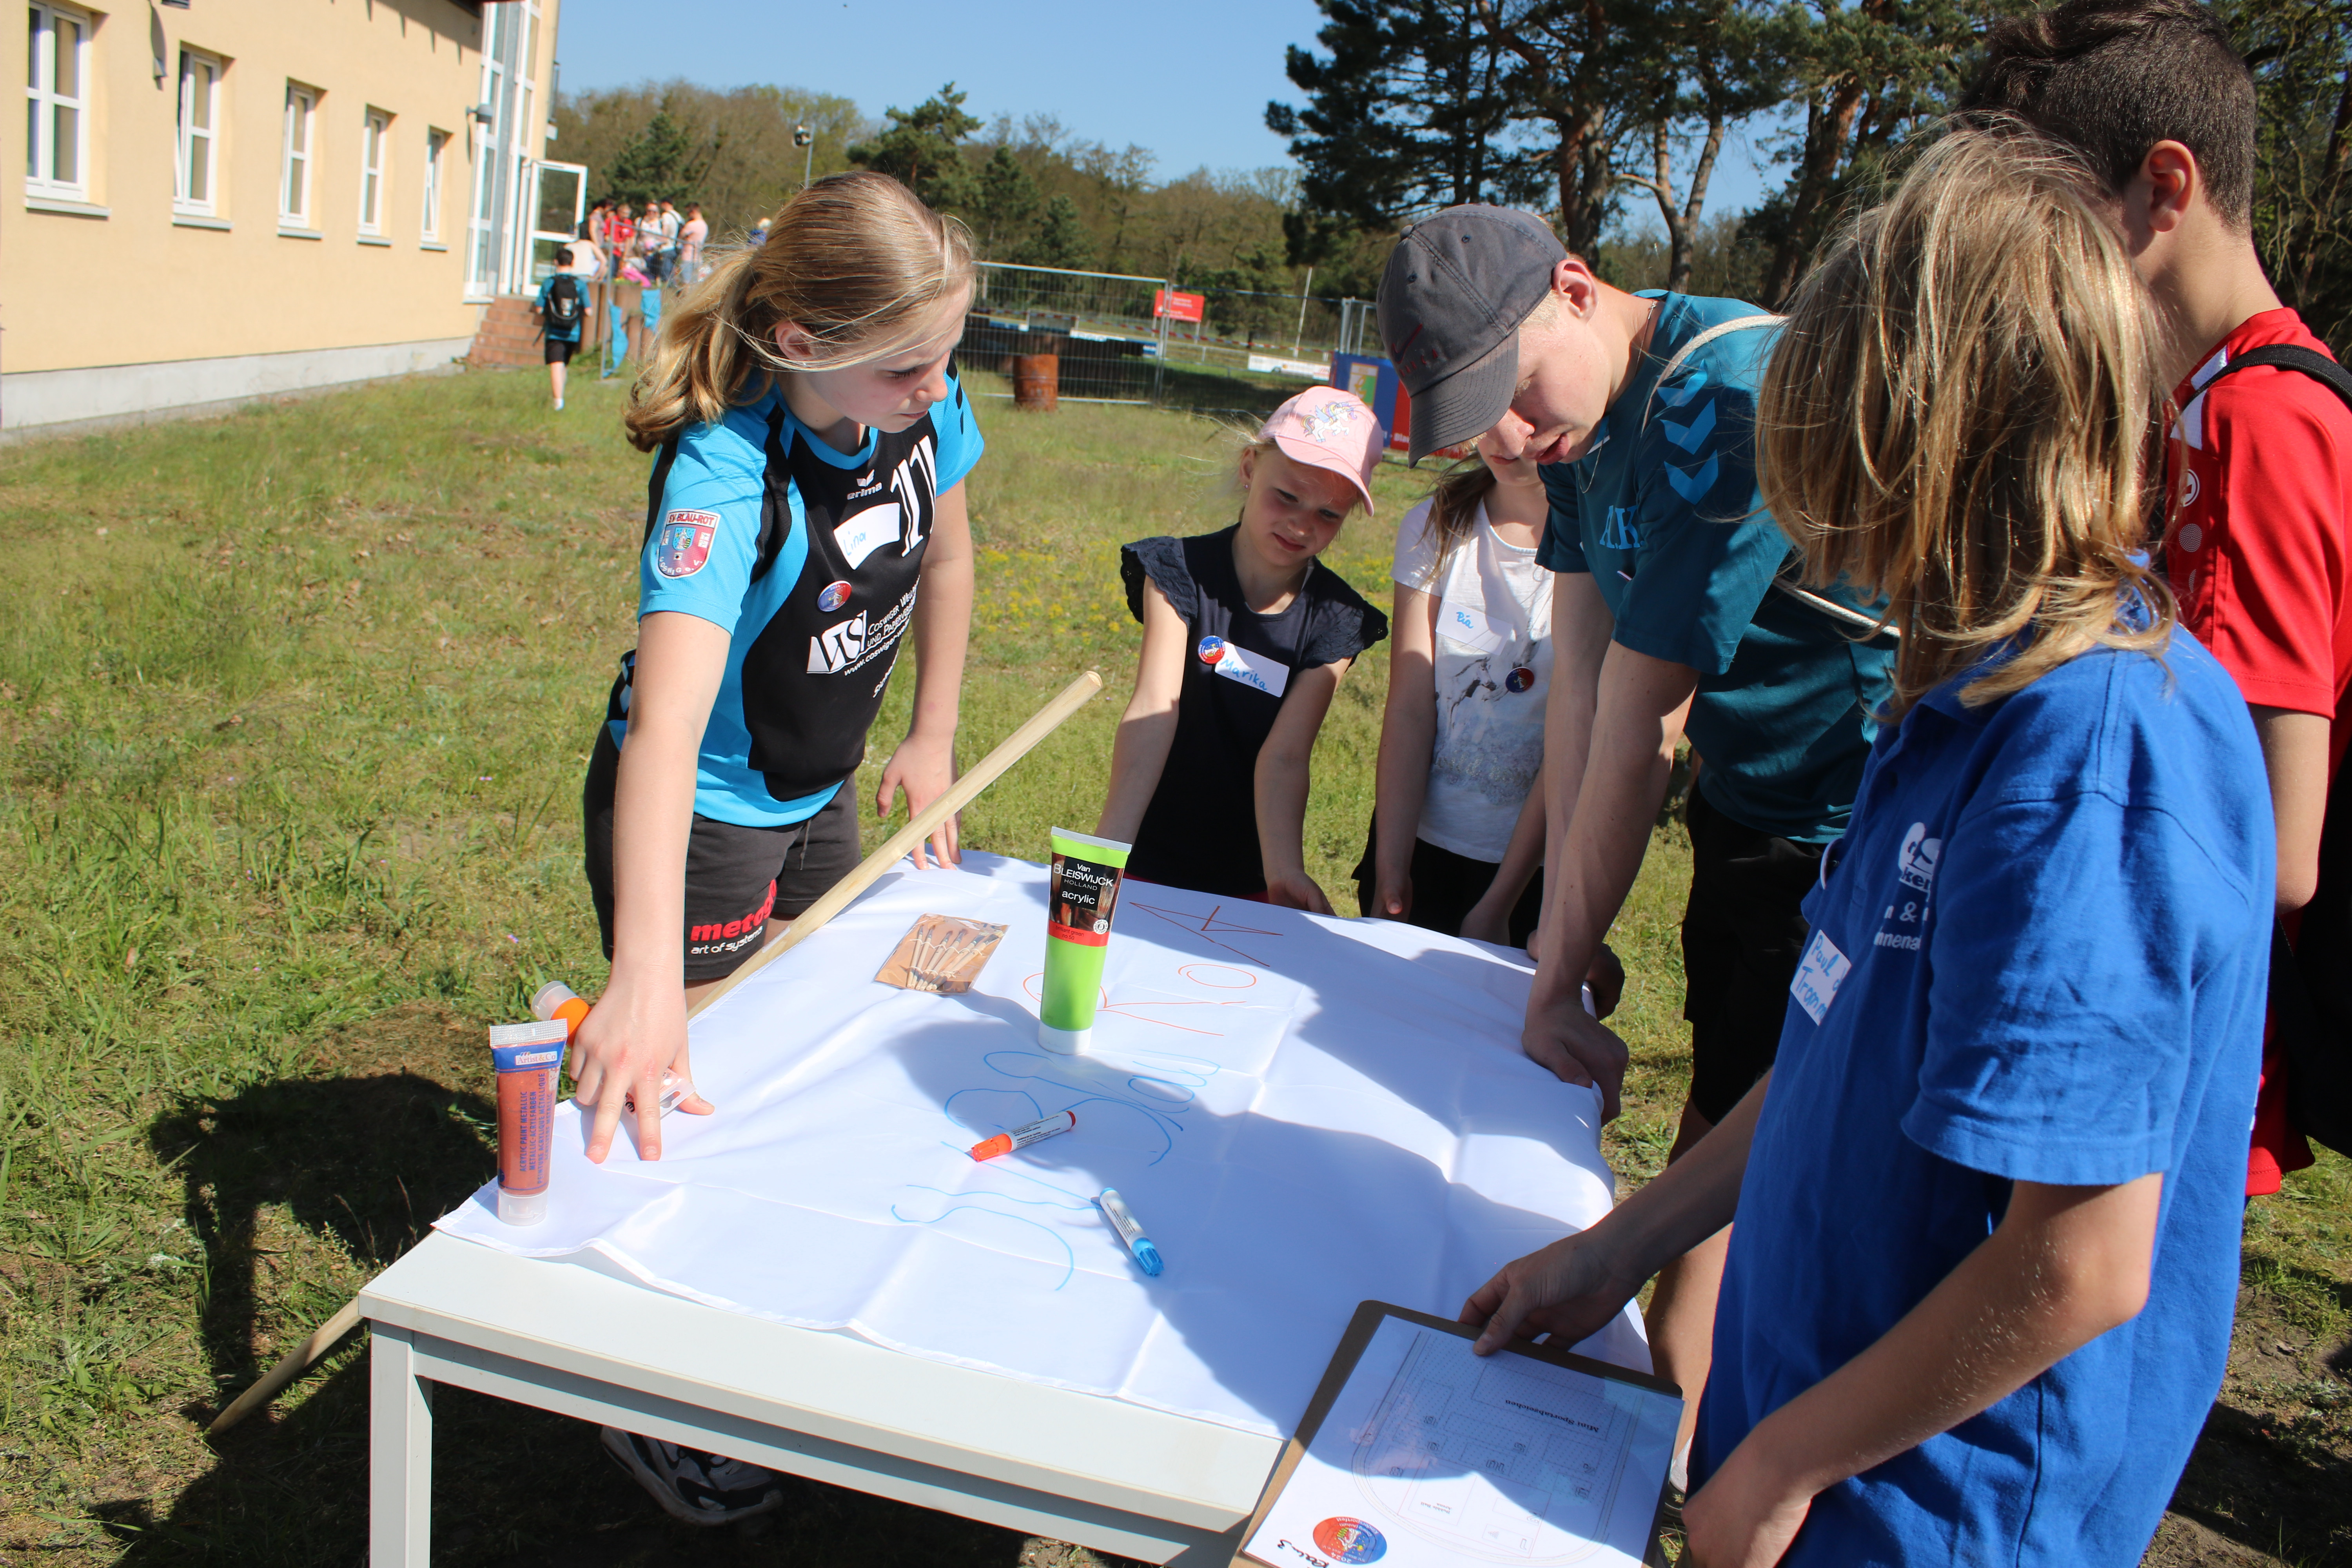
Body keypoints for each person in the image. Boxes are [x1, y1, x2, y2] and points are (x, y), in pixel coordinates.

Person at [1461, 129, 2272, 1568]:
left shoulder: (2087, 750)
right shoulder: (1951, 694)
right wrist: (1615, 1248)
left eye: (1825, 443)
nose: (1806, 507)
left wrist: (1783, 1460)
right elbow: (1833, 1053)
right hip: (1818, 1446)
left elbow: (2078, 1261)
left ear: (1926, 439)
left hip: (1934, 1510)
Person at [1375, 205, 1896, 1471]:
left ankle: (1719, 1447)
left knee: (1785, 1165)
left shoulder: (1721, 403)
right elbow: (1583, 677)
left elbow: (1642, 723)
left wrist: (1557, 972)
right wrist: (1556, 932)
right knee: (1722, 1113)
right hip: (1749, 810)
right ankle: (1679, 1426)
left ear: (1574, 287)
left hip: (1850, 829)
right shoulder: (1578, 427)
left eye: (1515, 391)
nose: (1510, 438)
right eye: (1477, 418)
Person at [569, 170, 984, 1525]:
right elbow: (664, 735)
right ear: (802, 345)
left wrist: (932, 731)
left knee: (810, 1054)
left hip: (824, 793)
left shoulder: (921, 403)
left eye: (948, 356)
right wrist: (645, 973)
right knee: (688, 1097)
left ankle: (770, 1330)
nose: (939, 389)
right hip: (704, 820)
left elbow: (949, 556)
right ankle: (649, 1395)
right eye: (910, 367)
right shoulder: (725, 470)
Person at [1962, 0, 2352, 1198]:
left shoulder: (2256, 423)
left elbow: (2272, 845)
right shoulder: (2189, 403)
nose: (2026, 275)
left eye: (2046, 227)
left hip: (2166, 1045)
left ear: (2163, 190)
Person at [1096, 386, 1389, 908]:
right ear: (1250, 467)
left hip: (1251, 878)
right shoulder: (1178, 572)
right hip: (1145, 859)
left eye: (1328, 515)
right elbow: (1154, 711)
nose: (1301, 525)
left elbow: (1286, 755)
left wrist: (1284, 872)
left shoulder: (1338, 619)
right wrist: (1105, 853)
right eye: (1288, 497)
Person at [1357, 429, 1553, 946]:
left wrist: (1499, 904)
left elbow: (1574, 746)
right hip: (1414, 847)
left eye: (1528, 410)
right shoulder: (1436, 524)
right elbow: (1409, 709)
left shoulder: (1603, 549)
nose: (1507, 432)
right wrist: (1391, 868)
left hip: (1529, 875)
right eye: (1491, 407)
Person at [532, 236, 597, 411]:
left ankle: (558, 403)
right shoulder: (579, 284)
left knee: (556, 365)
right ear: (572, 263)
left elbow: (539, 308)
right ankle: (560, 399)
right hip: (572, 331)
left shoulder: (549, 282)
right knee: (564, 366)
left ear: (556, 262)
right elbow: (589, 311)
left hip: (554, 331)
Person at [680, 201, 709, 282]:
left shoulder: (691, 225)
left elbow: (681, 236)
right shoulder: (705, 225)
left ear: (693, 212)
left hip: (688, 256)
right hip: (698, 258)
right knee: (695, 283)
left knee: (686, 282)